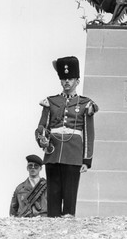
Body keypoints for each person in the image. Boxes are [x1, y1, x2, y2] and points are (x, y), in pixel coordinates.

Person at [35, 56, 98, 217]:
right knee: (53, 204)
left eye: (70, 78)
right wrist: (41, 137)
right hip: (53, 154)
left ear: (77, 81)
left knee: (69, 205)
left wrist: (87, 160)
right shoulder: (51, 101)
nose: (66, 82)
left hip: (73, 157)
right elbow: (42, 126)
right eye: (63, 79)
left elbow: (89, 134)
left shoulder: (85, 104)